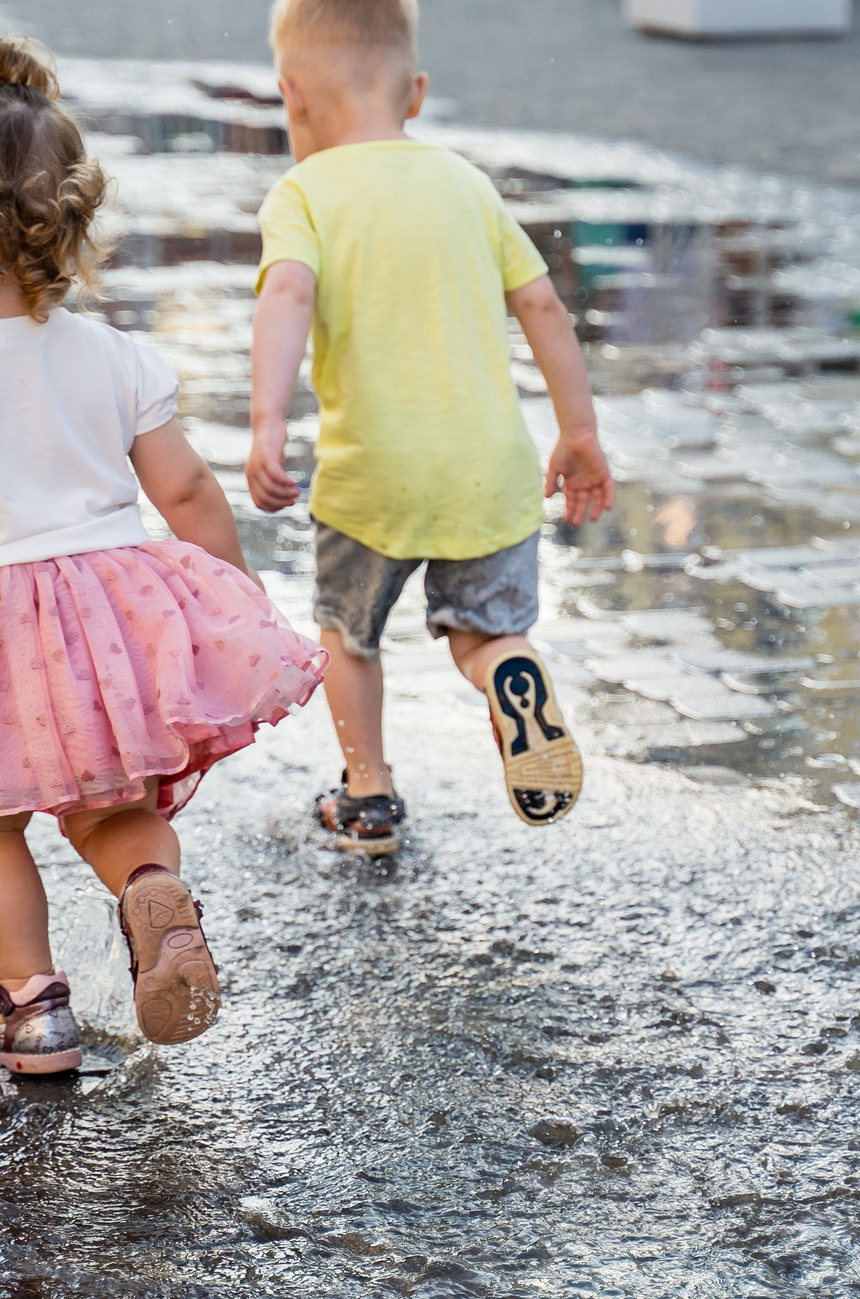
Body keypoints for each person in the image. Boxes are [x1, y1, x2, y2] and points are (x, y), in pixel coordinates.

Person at [0, 31, 325, 1074]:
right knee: (116, 805)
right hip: (114, 618)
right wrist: (234, 597)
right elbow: (187, 490)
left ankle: (32, 1010)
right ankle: (157, 899)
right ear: (67, 221)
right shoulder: (115, 355)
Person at [246, 0, 615, 857]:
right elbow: (543, 305)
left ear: (291, 98)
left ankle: (367, 792)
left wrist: (267, 421)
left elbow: (288, 296)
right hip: (489, 470)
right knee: (485, 632)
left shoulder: (303, 192)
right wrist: (580, 431)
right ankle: (507, 674)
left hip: (373, 475)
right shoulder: (465, 182)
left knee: (349, 634)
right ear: (415, 92)